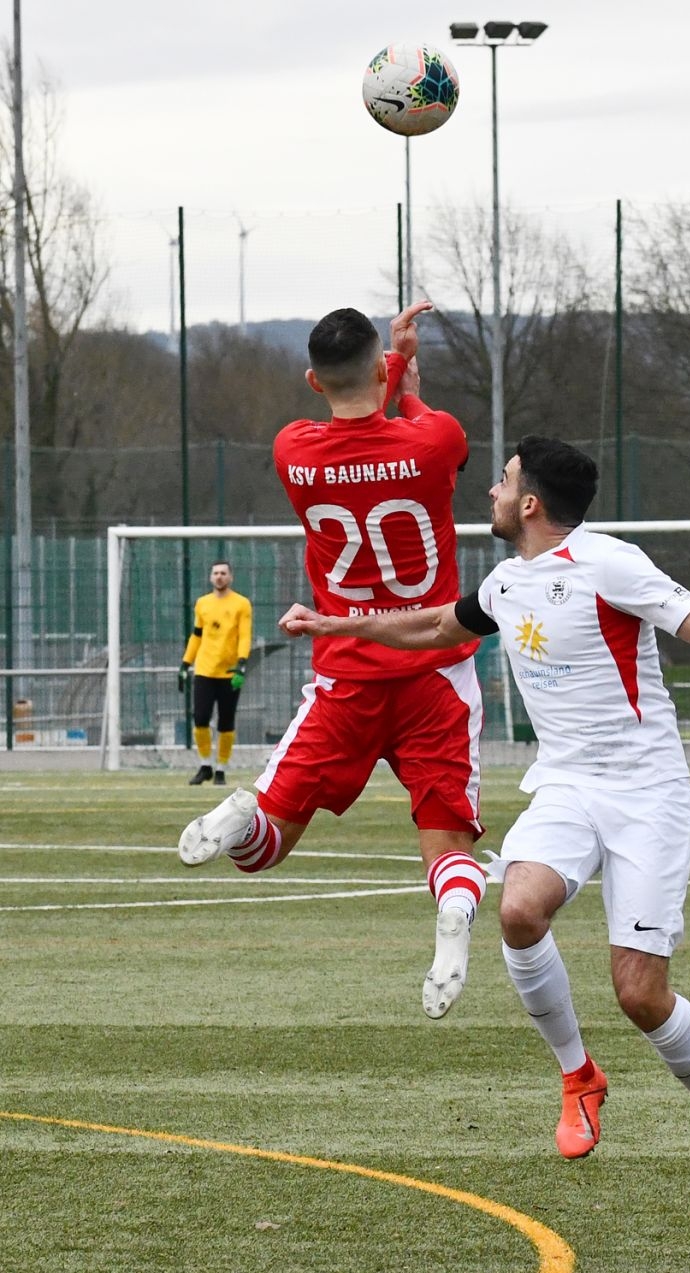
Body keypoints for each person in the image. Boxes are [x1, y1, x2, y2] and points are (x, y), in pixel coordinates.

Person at [282, 435, 690, 1213]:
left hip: (647, 795)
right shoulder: (505, 582)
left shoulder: (610, 564)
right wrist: (334, 626)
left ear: (529, 502)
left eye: (502, 481)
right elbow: (434, 629)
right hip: (566, 786)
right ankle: (579, 1074)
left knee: (640, 994)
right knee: (519, 910)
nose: (491, 492)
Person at [177, 302, 489, 1022]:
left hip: (346, 676)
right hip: (436, 675)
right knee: (448, 846)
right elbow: (426, 431)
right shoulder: (436, 438)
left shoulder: (295, 450)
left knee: (262, 851)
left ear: (313, 381)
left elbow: (359, 413)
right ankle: (452, 915)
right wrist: (406, 375)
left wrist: (388, 365)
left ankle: (237, 813)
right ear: (382, 370)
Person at [179, 560, 253, 786]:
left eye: (223, 573)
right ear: (211, 577)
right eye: (216, 573)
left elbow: (245, 635)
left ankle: (221, 769)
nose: (219, 576)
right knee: (200, 718)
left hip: (230, 672)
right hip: (204, 670)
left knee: (226, 722)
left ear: (230, 577)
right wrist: (185, 664)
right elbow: (196, 636)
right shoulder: (202, 603)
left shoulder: (241, 604)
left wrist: (242, 663)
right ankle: (205, 766)